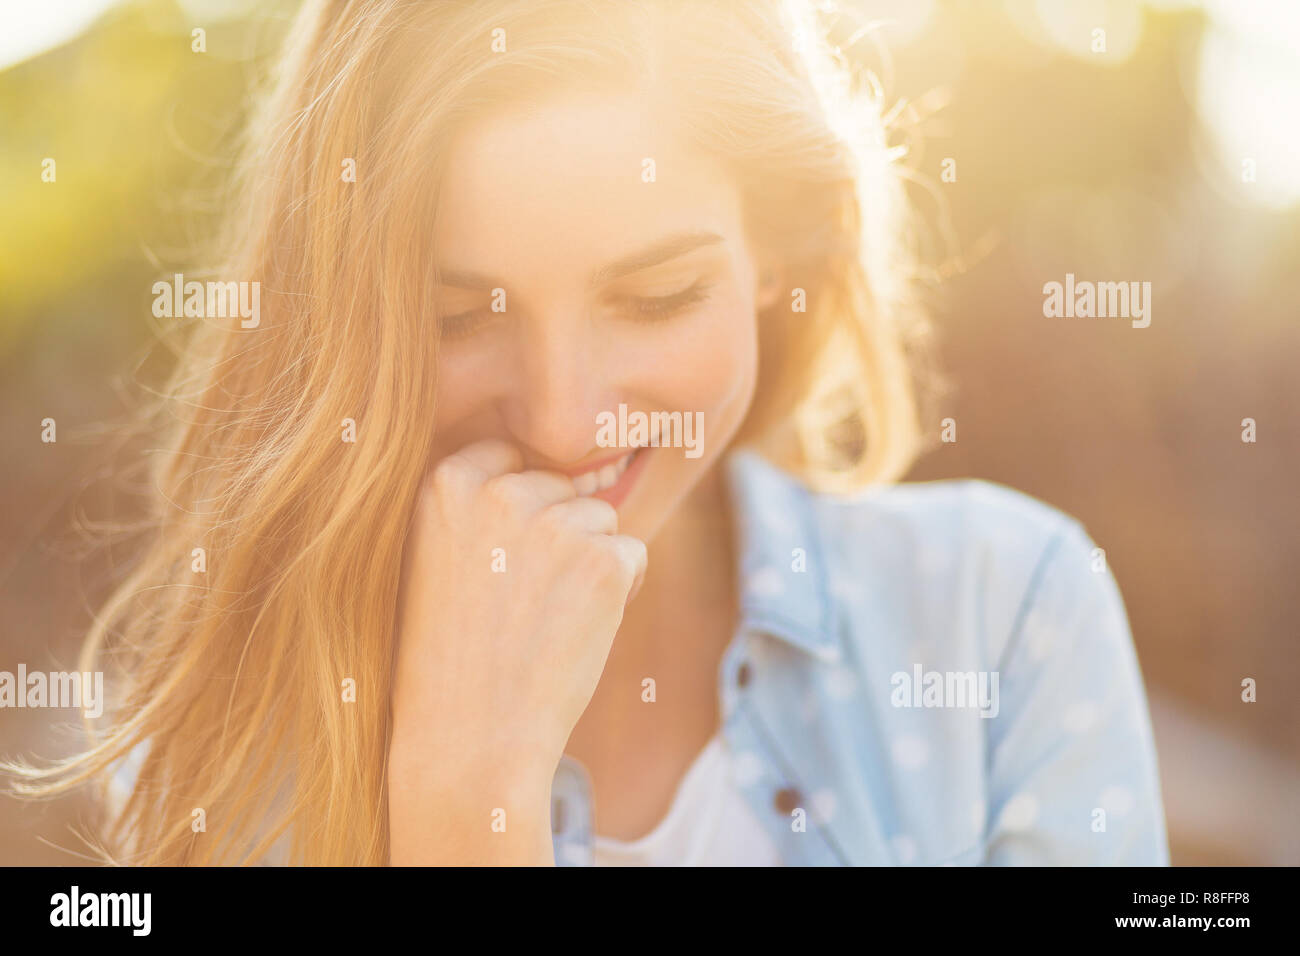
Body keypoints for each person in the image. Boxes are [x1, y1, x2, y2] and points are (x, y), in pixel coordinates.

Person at [6, 0, 1168, 866]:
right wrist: (465, 800)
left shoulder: (1003, 610)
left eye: (656, 296)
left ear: (782, 253)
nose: (565, 419)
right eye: (456, 316)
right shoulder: (240, 747)